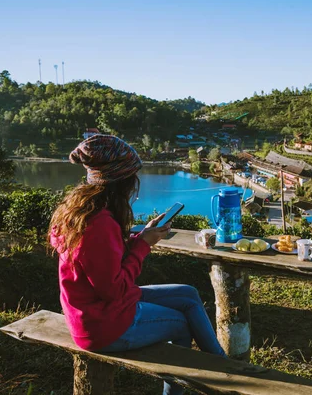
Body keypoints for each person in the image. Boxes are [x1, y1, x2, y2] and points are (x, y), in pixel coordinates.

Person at [49, 135, 225, 395]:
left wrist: (139, 238)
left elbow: (101, 259)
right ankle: (219, 377)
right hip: (101, 326)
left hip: (92, 312)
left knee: (188, 294)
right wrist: (143, 246)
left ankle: (222, 364)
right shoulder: (99, 223)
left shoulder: (82, 210)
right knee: (182, 323)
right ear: (121, 180)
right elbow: (114, 290)